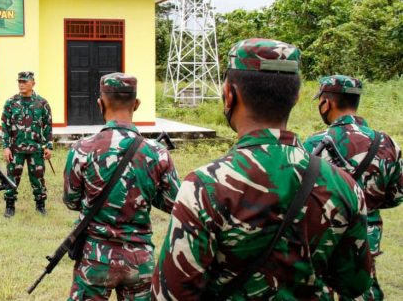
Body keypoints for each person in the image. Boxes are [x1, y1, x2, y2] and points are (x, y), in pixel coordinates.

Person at [152, 38, 372, 300]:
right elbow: (355, 284)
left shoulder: (204, 187)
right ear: (297, 97)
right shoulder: (345, 186)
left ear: (230, 95)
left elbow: (172, 294)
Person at [63, 73, 180, 301]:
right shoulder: (156, 152)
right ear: (136, 104)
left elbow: (71, 200)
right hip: (140, 260)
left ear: (100, 103)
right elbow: (173, 203)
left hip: (95, 258)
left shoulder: (82, 149)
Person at [304, 75, 403, 301]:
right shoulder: (386, 142)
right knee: (364, 286)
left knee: (322, 285)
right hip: (368, 233)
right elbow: (397, 195)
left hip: (325, 233)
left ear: (325, 103)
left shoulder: (314, 144)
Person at [0, 71, 52, 217]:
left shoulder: (42, 103)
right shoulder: (11, 102)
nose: (21, 84)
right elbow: (5, 126)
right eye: (20, 82)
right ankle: (9, 206)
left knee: (38, 178)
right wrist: (5, 147)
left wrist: (48, 146)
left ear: (33, 83)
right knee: (12, 178)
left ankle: (40, 206)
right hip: (16, 149)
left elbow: (48, 126)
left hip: (36, 149)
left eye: (25, 82)